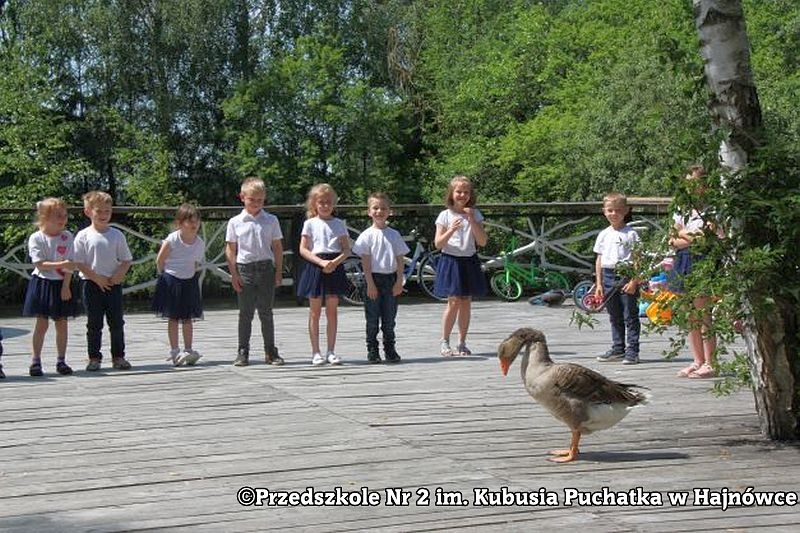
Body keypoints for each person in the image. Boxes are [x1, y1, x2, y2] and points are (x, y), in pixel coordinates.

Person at [226, 177, 284, 367]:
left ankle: (270, 351)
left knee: (266, 312)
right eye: (252, 199)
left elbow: (277, 247)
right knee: (245, 313)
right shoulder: (235, 222)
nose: (256, 203)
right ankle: (243, 351)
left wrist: (278, 272)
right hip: (245, 269)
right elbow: (231, 249)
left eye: (260, 200)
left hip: (266, 268)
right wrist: (233, 274)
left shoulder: (271, 220)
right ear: (243, 197)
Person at [670, 165, 720, 379]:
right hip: (682, 261)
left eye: (697, 183)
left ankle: (711, 361)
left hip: (702, 261)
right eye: (689, 183)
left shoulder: (713, 209)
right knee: (689, 314)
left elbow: (704, 238)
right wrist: (685, 235)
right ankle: (697, 360)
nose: (693, 188)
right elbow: (672, 240)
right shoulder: (681, 210)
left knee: (703, 313)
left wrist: (684, 234)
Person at [73, 191, 133, 371]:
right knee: (94, 323)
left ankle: (118, 356)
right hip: (91, 284)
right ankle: (94, 357)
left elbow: (126, 259)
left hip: (113, 284)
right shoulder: (83, 235)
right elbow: (78, 262)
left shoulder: (117, 235)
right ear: (88, 212)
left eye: (107, 211)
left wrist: (119, 274)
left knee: (116, 322)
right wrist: (96, 277)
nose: (103, 215)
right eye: (99, 211)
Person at [21, 198, 79, 377]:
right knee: (42, 323)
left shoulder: (67, 236)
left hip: (62, 283)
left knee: (62, 323)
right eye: (57, 216)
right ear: (44, 217)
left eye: (64, 215)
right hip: (43, 282)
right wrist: (61, 263)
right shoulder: (36, 237)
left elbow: (71, 263)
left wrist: (66, 286)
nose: (62, 219)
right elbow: (39, 264)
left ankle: (61, 360)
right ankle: (35, 360)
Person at [433, 175, 488, 356]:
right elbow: (438, 244)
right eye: (458, 191)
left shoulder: (475, 214)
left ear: (470, 194)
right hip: (451, 260)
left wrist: (472, 220)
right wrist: (451, 229)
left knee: (466, 302)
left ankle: (462, 342)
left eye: (466, 192)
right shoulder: (445, 215)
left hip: (469, 260)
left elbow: (482, 242)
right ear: (451, 193)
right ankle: (444, 341)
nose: (462, 195)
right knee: (454, 301)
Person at [296, 183, 350, 366]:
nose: (325, 206)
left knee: (333, 311)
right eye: (321, 202)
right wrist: (321, 263)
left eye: (328, 202)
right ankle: (315, 352)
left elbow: (346, 249)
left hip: (334, 266)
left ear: (333, 204)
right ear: (314, 204)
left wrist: (335, 262)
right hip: (316, 265)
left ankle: (331, 351)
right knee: (315, 312)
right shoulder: (309, 224)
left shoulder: (338, 224)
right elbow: (303, 249)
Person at [352, 192, 410, 364]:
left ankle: (390, 349)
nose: (379, 211)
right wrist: (370, 284)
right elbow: (366, 262)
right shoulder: (367, 235)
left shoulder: (394, 234)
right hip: (373, 279)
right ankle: (372, 349)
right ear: (369, 212)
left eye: (383, 208)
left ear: (389, 211)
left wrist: (399, 280)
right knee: (372, 318)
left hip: (390, 279)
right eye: (375, 208)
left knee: (389, 318)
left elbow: (400, 259)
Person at [153, 204, 205, 366]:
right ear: (179, 223)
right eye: (189, 222)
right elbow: (160, 260)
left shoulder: (199, 242)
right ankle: (175, 351)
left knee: (188, 318)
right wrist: (165, 277)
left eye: (196, 221)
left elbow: (196, 263)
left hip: (189, 280)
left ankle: (188, 350)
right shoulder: (172, 239)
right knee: (173, 318)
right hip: (171, 280)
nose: (194, 225)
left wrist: (190, 276)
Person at [594, 192, 642, 365]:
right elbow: (599, 259)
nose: (613, 214)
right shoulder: (603, 234)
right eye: (610, 210)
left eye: (618, 210)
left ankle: (633, 350)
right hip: (607, 275)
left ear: (626, 211)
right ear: (604, 211)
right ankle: (618, 348)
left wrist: (634, 281)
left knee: (630, 314)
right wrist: (598, 283)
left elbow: (637, 258)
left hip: (626, 274)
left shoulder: (631, 234)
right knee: (614, 315)